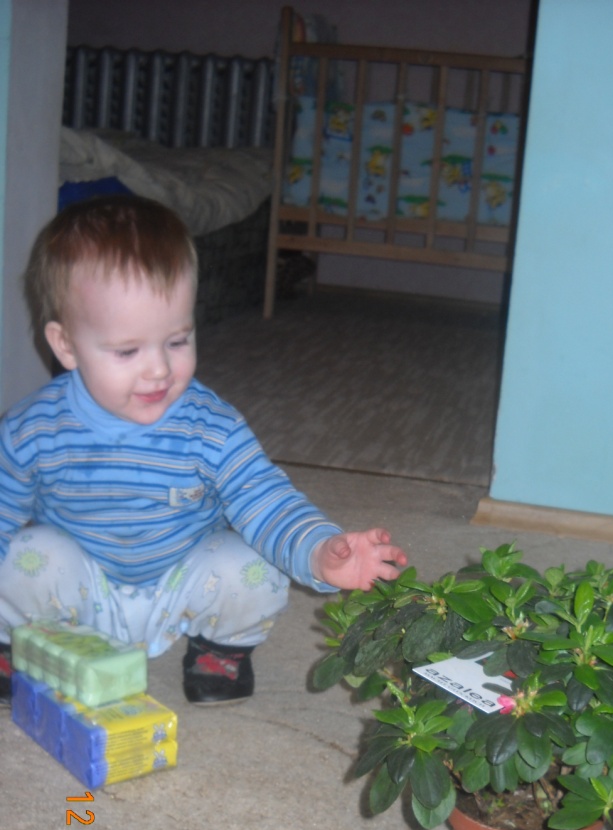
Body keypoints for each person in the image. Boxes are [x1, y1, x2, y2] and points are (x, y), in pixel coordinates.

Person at [0, 195, 407, 706]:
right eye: (127, 350)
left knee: (250, 564)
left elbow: (266, 501)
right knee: (27, 554)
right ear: (65, 346)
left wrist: (320, 552)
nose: (159, 370)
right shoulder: (31, 429)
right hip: (76, 592)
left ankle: (219, 648)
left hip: (181, 586)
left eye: (177, 340)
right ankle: (18, 642)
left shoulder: (211, 427)